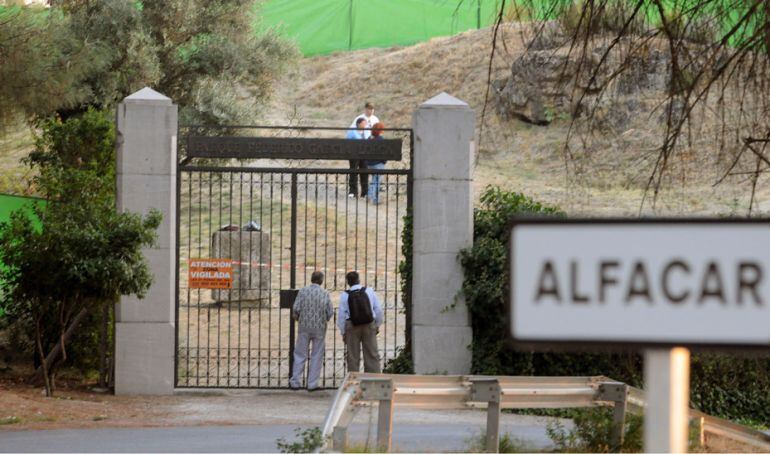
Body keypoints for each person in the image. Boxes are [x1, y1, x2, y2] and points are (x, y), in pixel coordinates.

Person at [290, 271, 333, 391]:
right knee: (316, 355)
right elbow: (329, 312)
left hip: (304, 326)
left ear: (311, 279)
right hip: (319, 328)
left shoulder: (303, 291)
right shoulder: (324, 293)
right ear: (321, 280)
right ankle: (312, 384)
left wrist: (300, 319)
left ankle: (295, 382)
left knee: (300, 353)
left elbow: (296, 309)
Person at [337, 271, 383, 373]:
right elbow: (378, 309)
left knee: (353, 356)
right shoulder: (369, 291)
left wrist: (343, 332)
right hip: (368, 324)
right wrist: (377, 324)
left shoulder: (345, 295)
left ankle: (354, 381)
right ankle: (373, 380)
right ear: (358, 280)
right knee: (372, 354)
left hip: (352, 325)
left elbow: (341, 315)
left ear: (348, 282)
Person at [346, 117, 368, 198]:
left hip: (364, 155)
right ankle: (353, 191)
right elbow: (347, 142)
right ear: (359, 124)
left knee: (364, 173)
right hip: (354, 155)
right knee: (353, 172)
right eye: (363, 123)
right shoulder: (352, 132)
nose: (365, 125)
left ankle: (365, 192)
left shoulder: (366, 132)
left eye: (365, 123)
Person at [366, 122, 386, 205]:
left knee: (374, 180)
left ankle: (369, 195)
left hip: (369, 163)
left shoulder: (369, 139)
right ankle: (375, 199)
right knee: (377, 181)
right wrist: (383, 161)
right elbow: (385, 152)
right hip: (378, 163)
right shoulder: (381, 140)